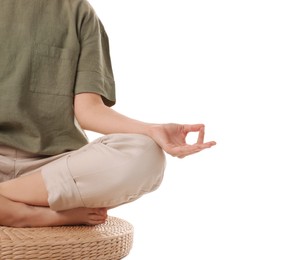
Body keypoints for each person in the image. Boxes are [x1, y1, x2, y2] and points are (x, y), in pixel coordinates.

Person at [0, 0, 216, 228]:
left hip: (54, 169)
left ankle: (7, 199)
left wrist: (153, 130)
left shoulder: (78, 11)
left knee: (146, 154)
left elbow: (89, 111)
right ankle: (36, 213)